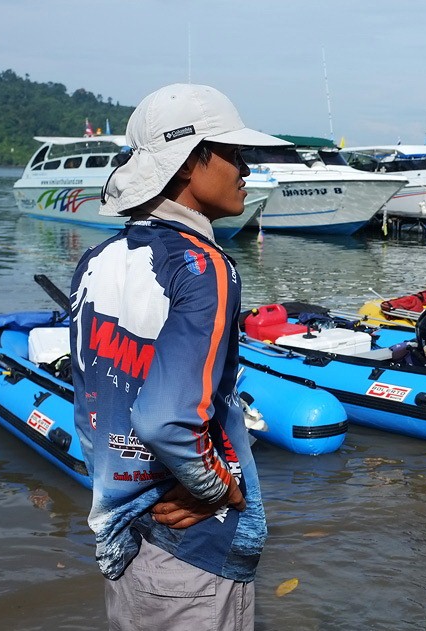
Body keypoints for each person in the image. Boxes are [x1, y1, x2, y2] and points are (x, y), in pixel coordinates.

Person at [69, 83, 288, 631]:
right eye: (235, 155)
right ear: (192, 162)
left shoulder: (99, 259)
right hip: (191, 551)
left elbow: (92, 410)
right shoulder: (205, 266)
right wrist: (219, 489)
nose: (245, 171)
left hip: (124, 535)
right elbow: (166, 418)